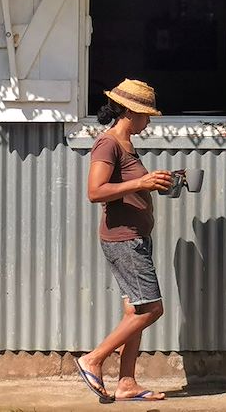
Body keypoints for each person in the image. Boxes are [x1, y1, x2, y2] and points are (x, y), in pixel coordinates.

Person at [74, 79, 173, 402]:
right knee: (151, 309)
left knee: (135, 311)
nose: (148, 122)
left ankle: (127, 383)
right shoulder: (108, 143)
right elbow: (95, 191)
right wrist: (141, 183)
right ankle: (93, 359)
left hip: (136, 237)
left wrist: (153, 183)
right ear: (130, 112)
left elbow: (128, 185)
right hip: (124, 240)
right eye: (146, 116)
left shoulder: (126, 143)